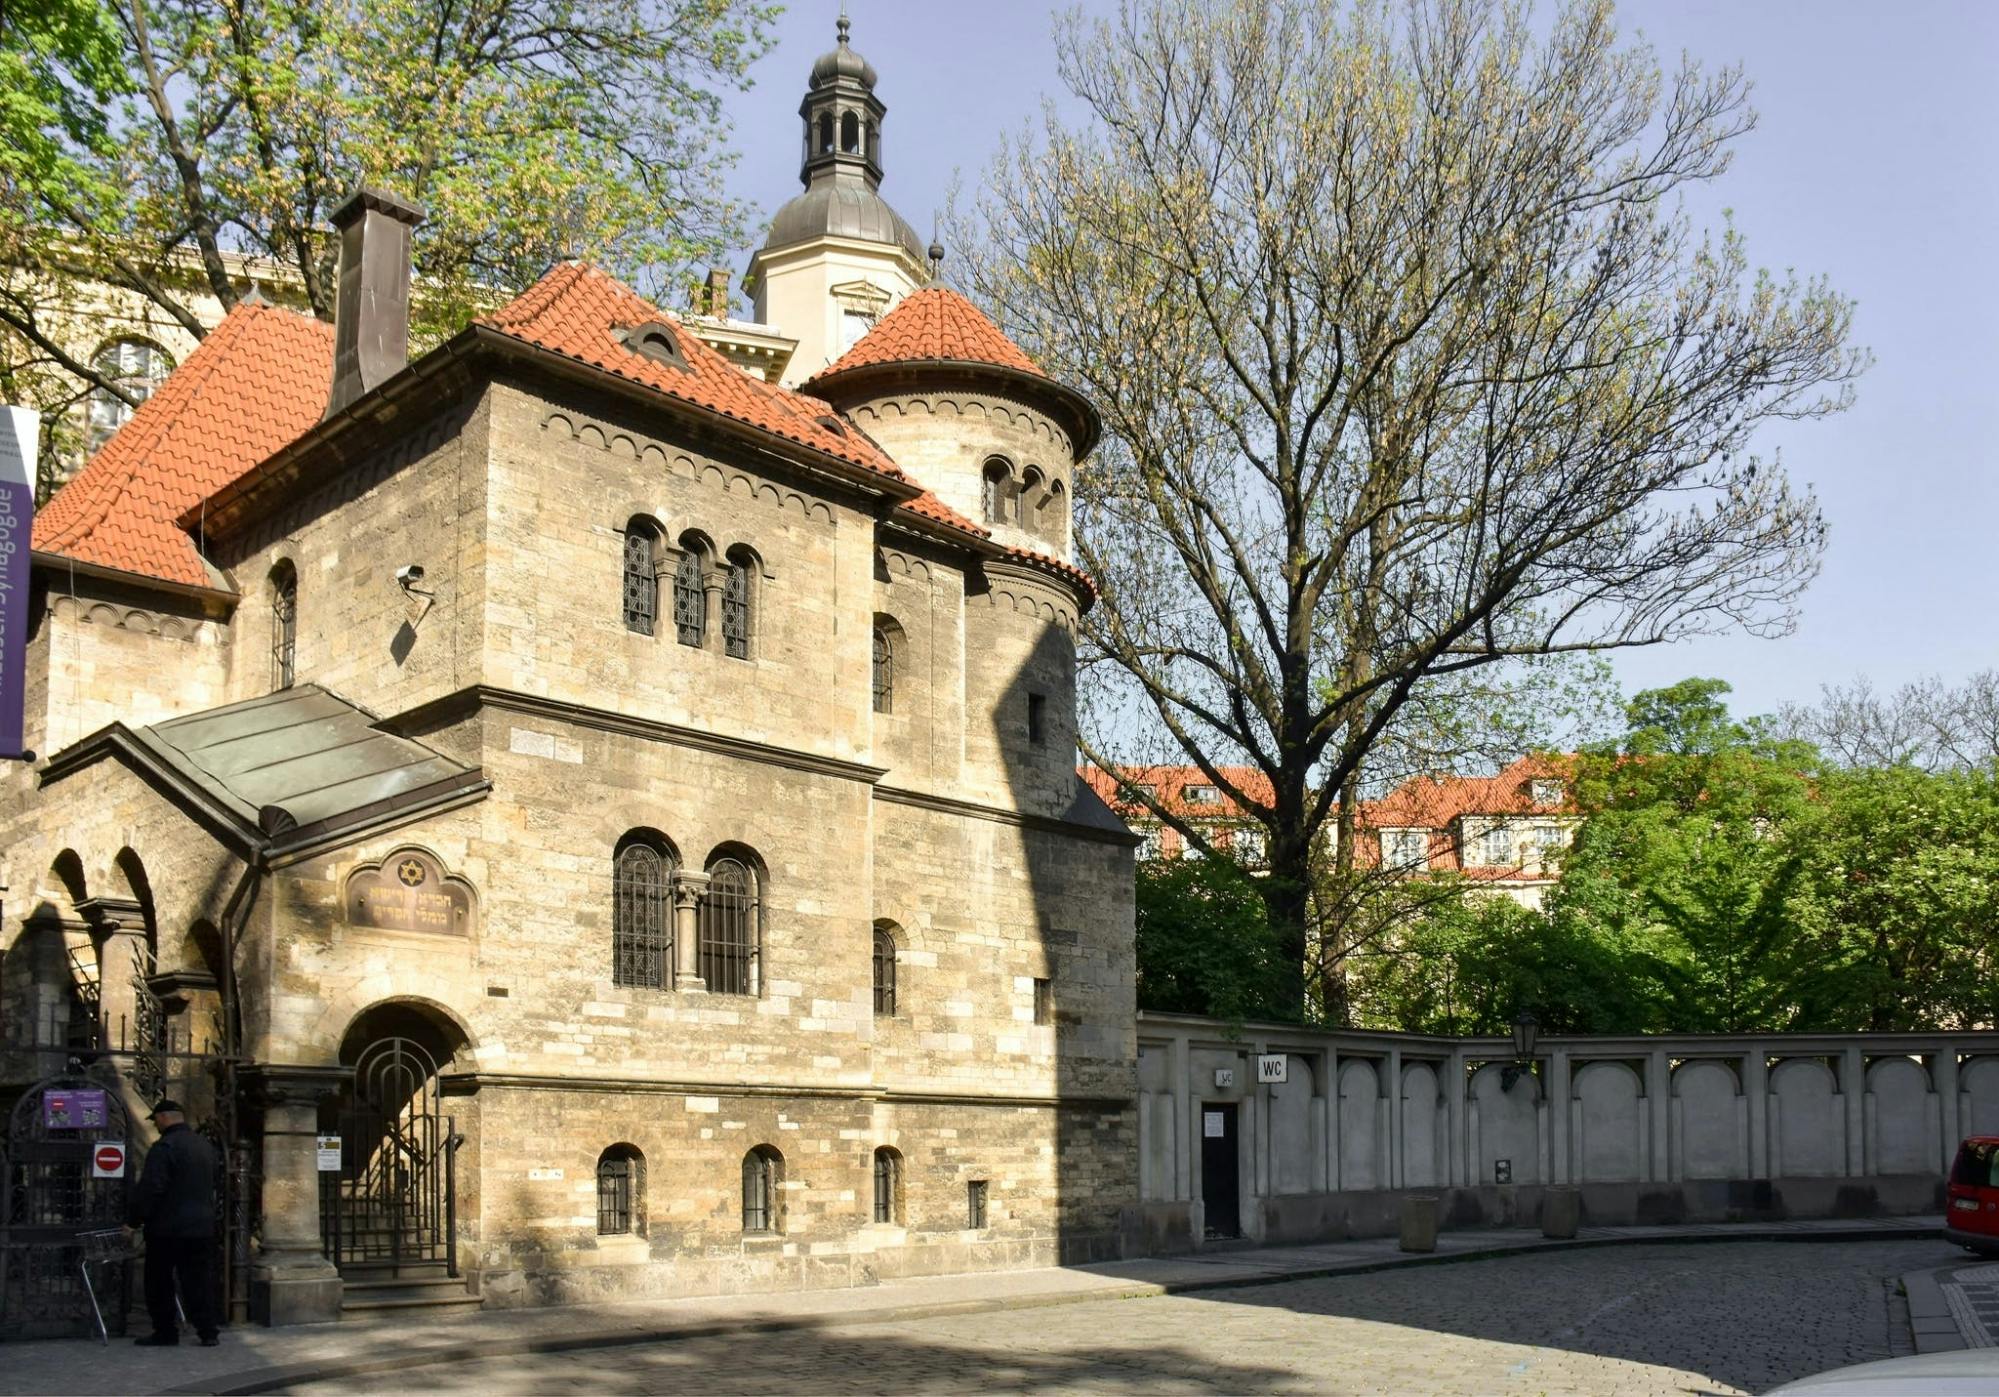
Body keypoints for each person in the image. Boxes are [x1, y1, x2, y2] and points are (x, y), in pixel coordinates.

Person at [124, 1098, 220, 1347]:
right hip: (201, 1225)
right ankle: (208, 1331)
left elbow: (152, 1188)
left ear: (164, 1117)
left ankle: (166, 1331)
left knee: (159, 1282)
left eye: (155, 1119)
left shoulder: (164, 1147)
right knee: (199, 1280)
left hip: (167, 1228)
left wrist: (133, 1221)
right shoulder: (204, 1146)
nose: (155, 1124)